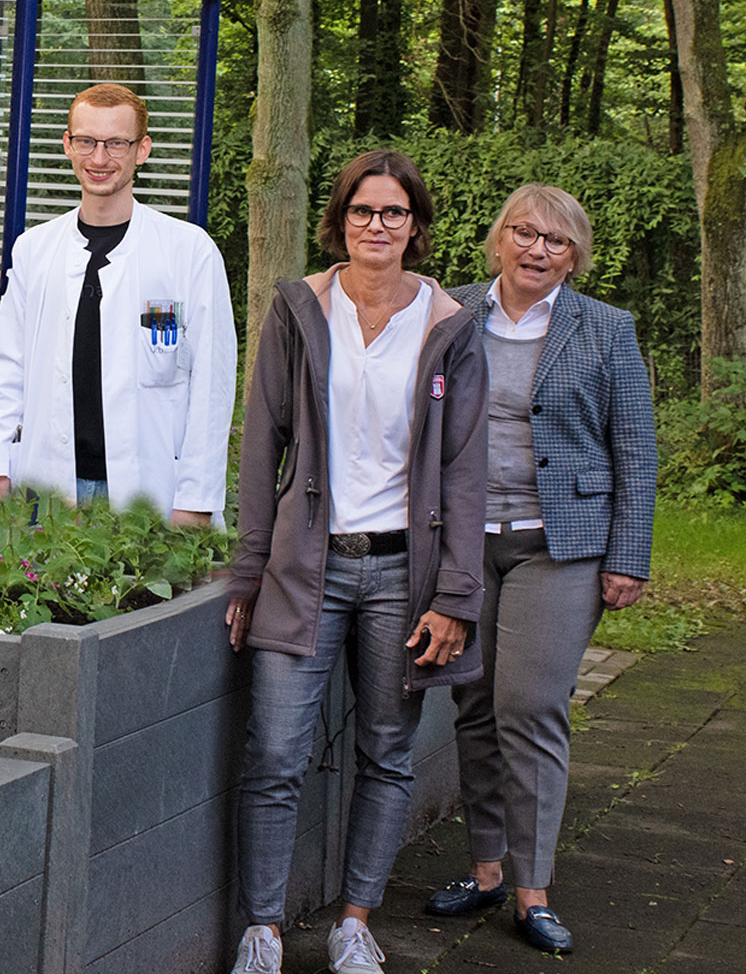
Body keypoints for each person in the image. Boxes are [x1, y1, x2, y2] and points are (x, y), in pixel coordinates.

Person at [225, 149, 487, 974]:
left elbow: (467, 468)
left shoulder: (449, 324)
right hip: (307, 568)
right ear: (340, 220)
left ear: (416, 226)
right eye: (363, 211)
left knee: (387, 750)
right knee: (273, 752)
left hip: (404, 576)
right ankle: (261, 929)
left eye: (394, 213)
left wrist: (457, 595)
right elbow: (261, 441)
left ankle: (354, 921)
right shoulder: (301, 307)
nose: (378, 226)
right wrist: (247, 571)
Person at [422, 185, 656, 955]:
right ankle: (486, 869)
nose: (538, 251)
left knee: (529, 703)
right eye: (525, 233)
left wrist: (629, 555)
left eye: (557, 242)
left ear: (575, 256)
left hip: (562, 542)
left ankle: (533, 887)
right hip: (464, 541)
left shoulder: (605, 328)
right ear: (498, 240)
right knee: (474, 703)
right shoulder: (450, 313)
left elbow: (636, 448)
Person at [0, 84, 235, 519]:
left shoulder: (188, 251)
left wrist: (195, 501)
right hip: (48, 485)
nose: (100, 159)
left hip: (153, 489)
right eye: (86, 141)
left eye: (117, 143)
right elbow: (7, 367)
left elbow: (212, 389)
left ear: (142, 150)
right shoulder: (33, 249)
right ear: (67, 145)